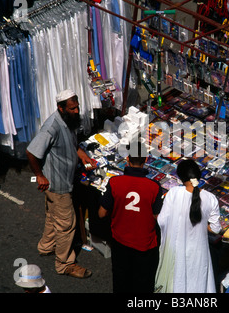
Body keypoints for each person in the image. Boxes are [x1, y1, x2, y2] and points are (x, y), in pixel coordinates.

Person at [26, 89, 96, 278]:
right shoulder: (52, 126)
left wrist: (80, 154)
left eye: (77, 107)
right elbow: (31, 152)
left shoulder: (69, 120)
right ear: (61, 108)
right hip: (57, 184)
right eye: (72, 108)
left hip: (62, 181)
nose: (76, 111)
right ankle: (65, 264)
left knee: (53, 216)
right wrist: (39, 175)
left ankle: (46, 246)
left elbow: (71, 142)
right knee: (67, 223)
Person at [98, 141, 163, 293]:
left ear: (127, 159)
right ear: (146, 160)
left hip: (120, 242)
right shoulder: (154, 187)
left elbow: (101, 213)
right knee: (143, 285)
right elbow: (157, 217)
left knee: (121, 282)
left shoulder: (115, 182)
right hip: (145, 246)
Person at [155, 158, 222, 293]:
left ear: (181, 177)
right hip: (200, 253)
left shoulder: (174, 193)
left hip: (177, 251)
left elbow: (162, 221)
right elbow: (216, 229)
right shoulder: (210, 198)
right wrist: (204, 225)